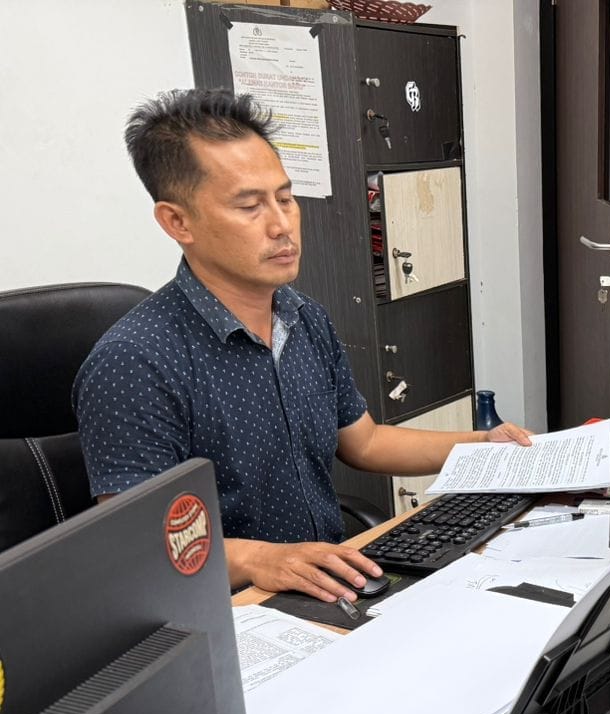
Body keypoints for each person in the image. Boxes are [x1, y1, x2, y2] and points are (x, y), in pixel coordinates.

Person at [74, 89, 532, 603]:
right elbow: (139, 546)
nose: (281, 226)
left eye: (286, 199)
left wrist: (480, 448)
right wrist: (261, 558)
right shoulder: (136, 362)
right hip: (233, 610)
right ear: (177, 222)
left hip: (327, 586)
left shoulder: (303, 317)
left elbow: (365, 442)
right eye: (250, 206)